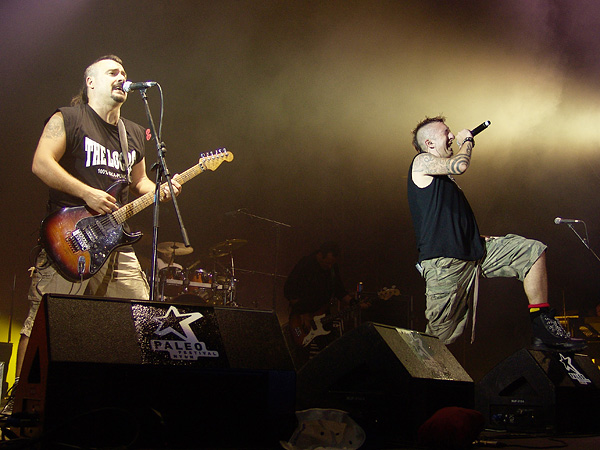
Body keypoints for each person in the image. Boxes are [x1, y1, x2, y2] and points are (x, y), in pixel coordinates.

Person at [4, 55, 181, 413]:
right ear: (90, 82)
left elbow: (140, 182)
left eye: (124, 73)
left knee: (142, 318)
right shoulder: (68, 119)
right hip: (70, 241)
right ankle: (21, 405)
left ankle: (131, 407)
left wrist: (162, 189)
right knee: (45, 323)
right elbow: (41, 163)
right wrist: (85, 193)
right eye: (112, 72)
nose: (121, 78)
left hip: (116, 244)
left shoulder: (132, 132)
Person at [407, 116, 585, 351]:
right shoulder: (421, 162)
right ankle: (415, 378)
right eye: (446, 133)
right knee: (439, 342)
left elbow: (446, 222)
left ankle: (543, 326)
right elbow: (461, 166)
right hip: (445, 265)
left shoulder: (442, 181)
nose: (452, 136)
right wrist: (468, 141)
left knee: (530, 251)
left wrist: (475, 238)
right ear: (429, 144)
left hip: (473, 254)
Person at [284, 242, 354, 366]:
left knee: (331, 352)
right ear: (320, 255)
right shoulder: (306, 264)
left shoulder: (332, 269)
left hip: (323, 317)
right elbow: (289, 289)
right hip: (300, 319)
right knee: (301, 357)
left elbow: (339, 290)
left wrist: (354, 302)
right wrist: (303, 312)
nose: (329, 266)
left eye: (332, 263)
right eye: (327, 262)